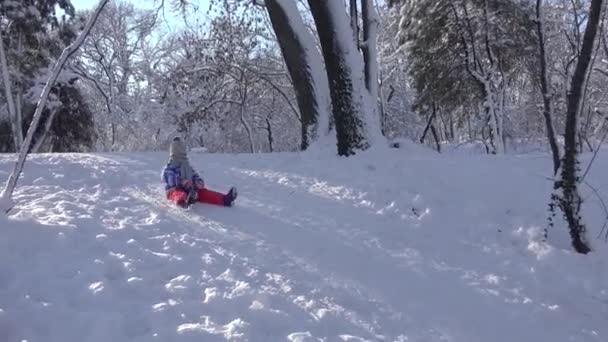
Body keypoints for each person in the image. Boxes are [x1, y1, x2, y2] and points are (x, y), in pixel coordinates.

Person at [162, 137, 237, 208]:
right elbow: (171, 180)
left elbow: (194, 175)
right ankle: (182, 202)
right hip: (173, 190)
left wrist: (198, 181)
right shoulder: (170, 167)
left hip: (190, 190)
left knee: (204, 193)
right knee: (178, 193)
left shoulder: (187, 166)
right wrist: (182, 182)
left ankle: (225, 199)